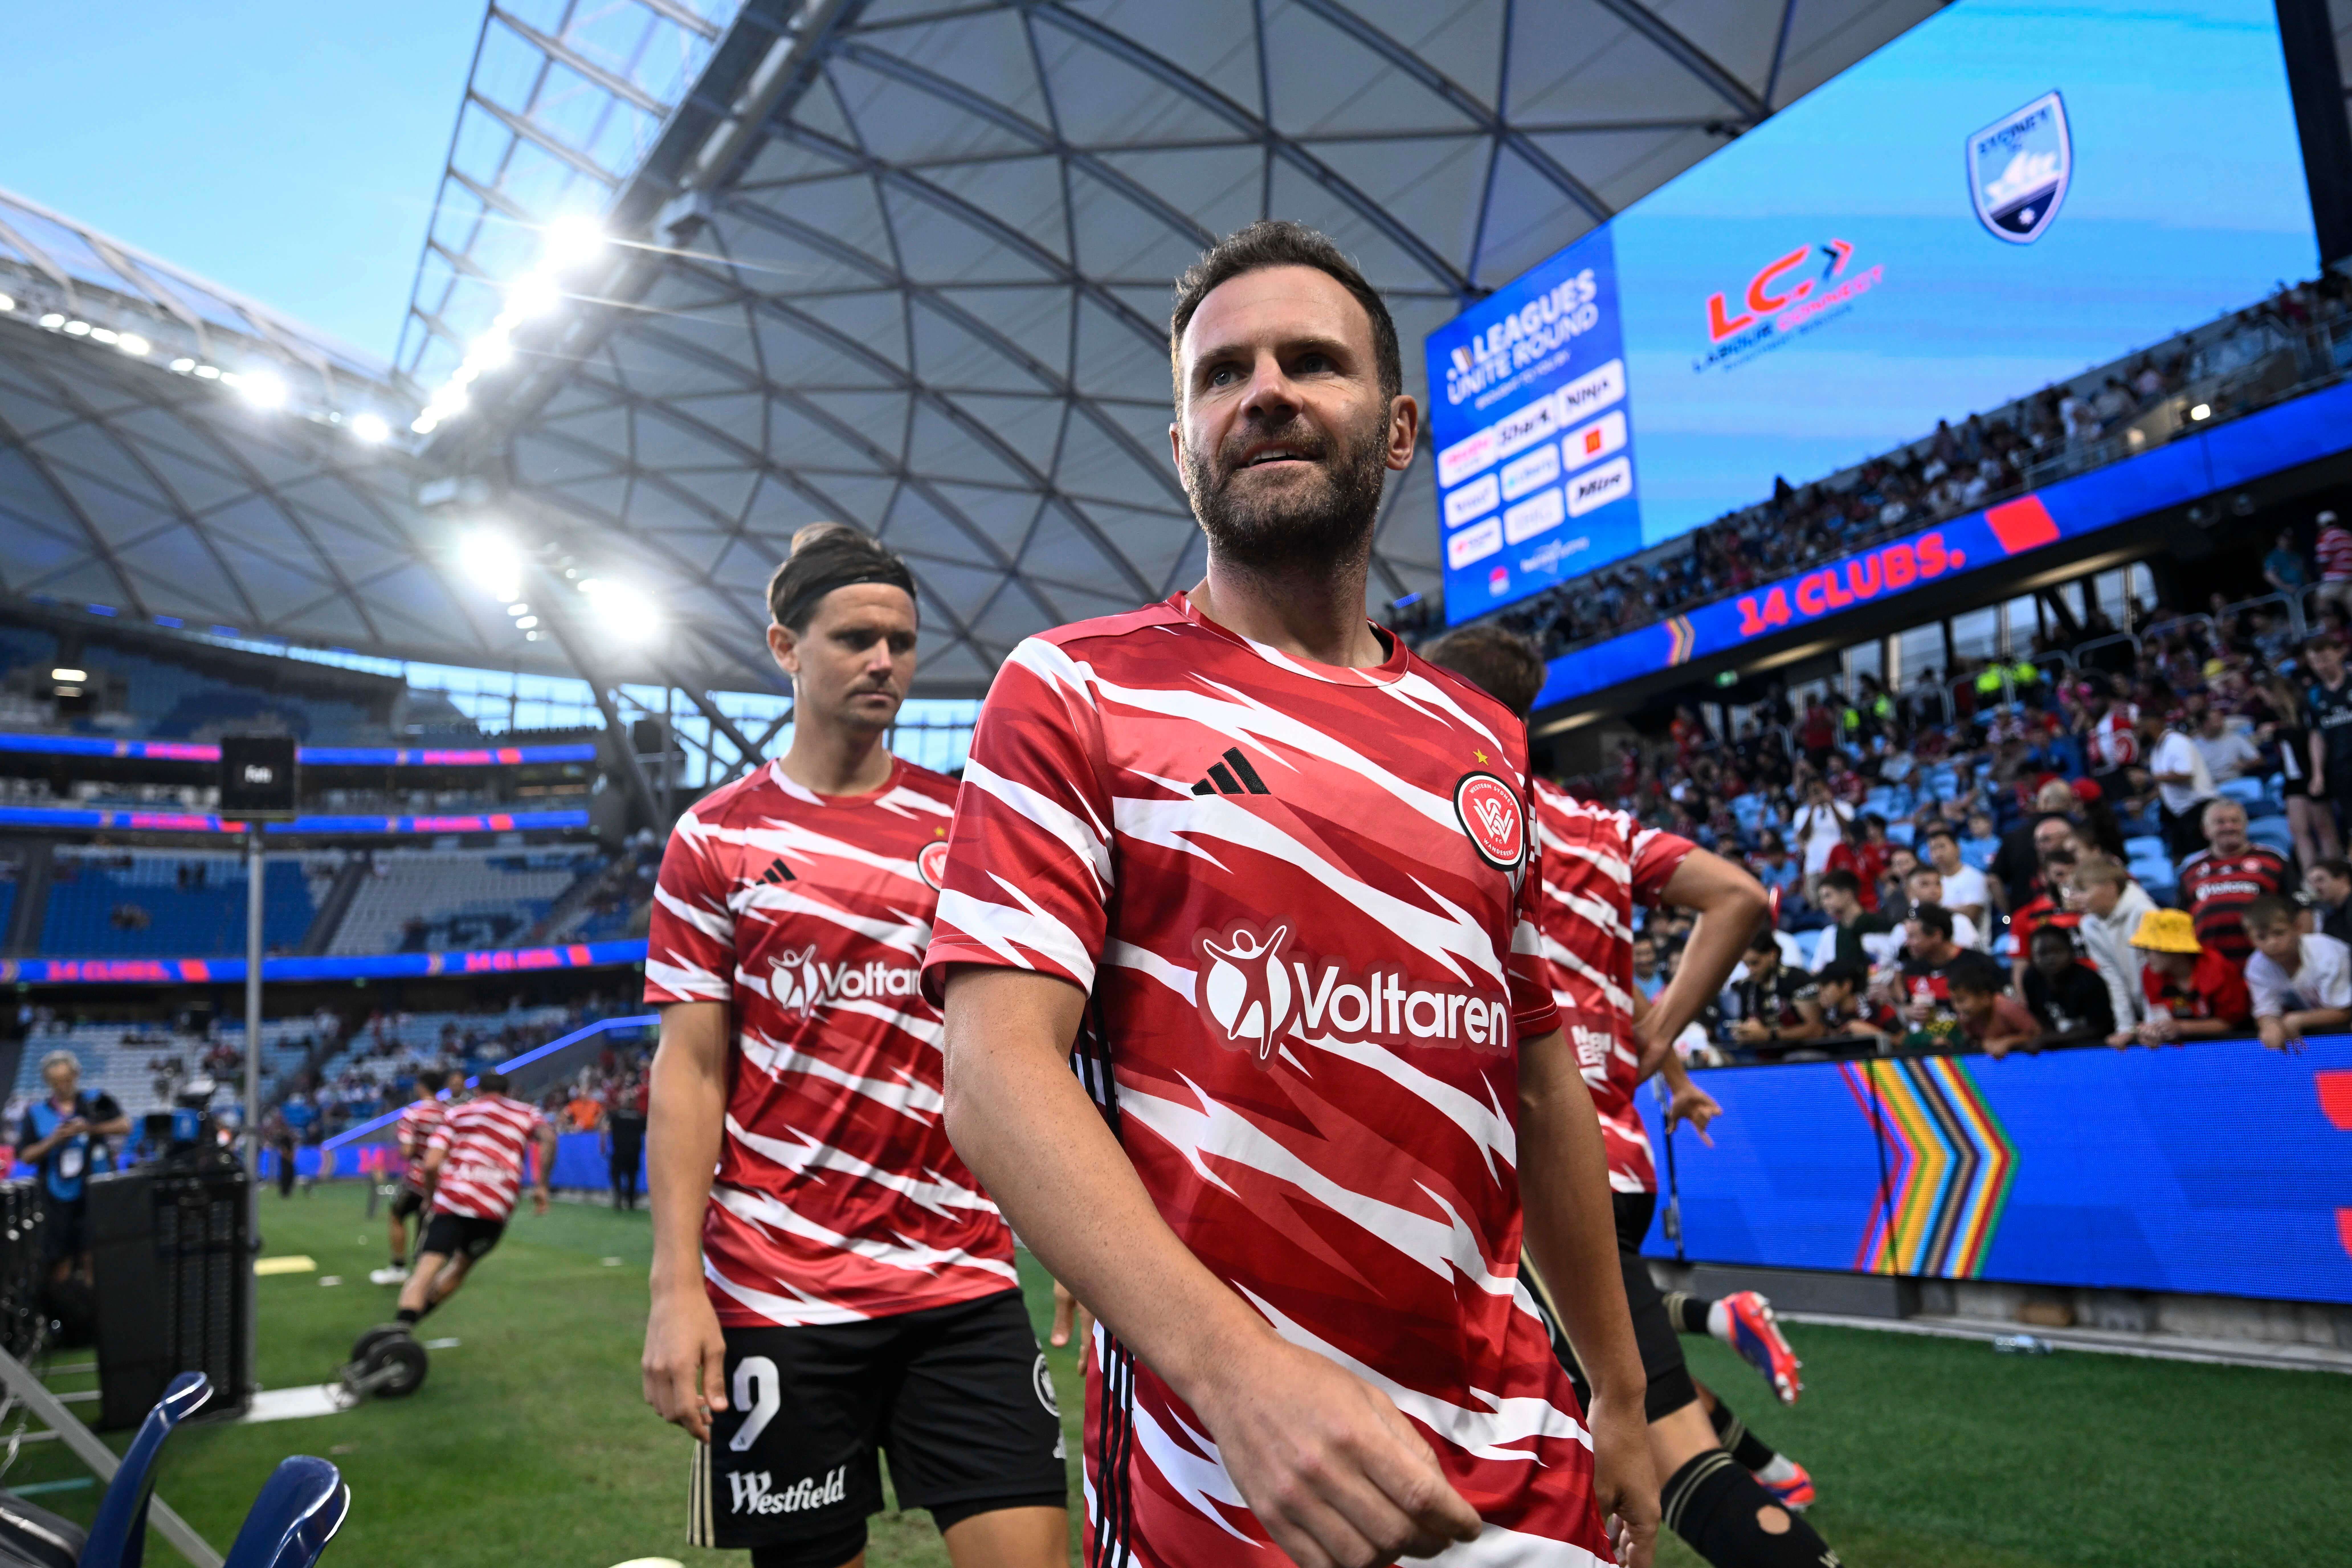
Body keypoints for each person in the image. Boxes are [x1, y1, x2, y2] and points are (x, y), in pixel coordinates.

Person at [925, 221, 1657, 1568]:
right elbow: (990, 1072)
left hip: (1515, 1458)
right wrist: (1234, 1372)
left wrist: (1621, 1390)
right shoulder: (1073, 689)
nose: (1259, 391)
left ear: (1395, 428)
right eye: (1219, 376)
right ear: (1180, 451)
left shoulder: (1474, 738)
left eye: (1308, 362)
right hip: (1229, 1483)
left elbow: (1540, 1075)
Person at [640, 524, 1067, 1568]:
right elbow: (691, 1072)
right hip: (778, 1291)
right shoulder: (716, 840)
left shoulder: (966, 826)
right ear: (786, 647)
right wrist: (672, 1287)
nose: (884, 660)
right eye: (855, 638)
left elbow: (1027, 1045)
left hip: (959, 1279)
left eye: (902, 640)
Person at [1421, 625, 1835, 1561]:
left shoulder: (1442, 812)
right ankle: (1730, 1372)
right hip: (1614, 1159)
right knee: (1608, 1403)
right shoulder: (1598, 831)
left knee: (1651, 1442)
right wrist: (1660, 1045)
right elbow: (1735, 895)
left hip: (1520, 1171)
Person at [392, 1070, 556, 1326]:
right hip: (494, 1208)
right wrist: (542, 1186)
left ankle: (399, 1332)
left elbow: (432, 1164)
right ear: (508, 1092)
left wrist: (431, 1197)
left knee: (425, 1272)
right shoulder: (526, 1113)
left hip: (452, 1202)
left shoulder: (457, 1114)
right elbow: (548, 1137)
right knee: (459, 1269)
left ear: (477, 1091)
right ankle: (409, 1329)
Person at [15, 1052, 127, 1285]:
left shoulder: (96, 1099)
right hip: (57, 1197)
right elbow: (25, 1155)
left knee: (94, 1254)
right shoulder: (36, 1113)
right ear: (48, 1082)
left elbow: (125, 1125)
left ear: (76, 1076)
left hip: (96, 1190)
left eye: (67, 1080)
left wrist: (90, 1129)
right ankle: (62, 1309)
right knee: (59, 1257)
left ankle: (98, 1309)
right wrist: (54, 1140)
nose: (62, 1087)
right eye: (56, 1082)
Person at [2176, 798, 2289, 966]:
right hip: (2212, 968)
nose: (2229, 827)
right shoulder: (2191, 868)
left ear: (2245, 826)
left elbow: (2301, 904)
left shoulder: (2274, 859)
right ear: (2206, 831)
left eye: (2235, 821)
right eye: (2220, 822)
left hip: (2269, 963)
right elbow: (2180, 917)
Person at [371, 1068, 458, 1286]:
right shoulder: (450, 1113)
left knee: (397, 1215)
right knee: (428, 1221)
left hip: (419, 1176)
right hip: (444, 1177)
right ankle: (428, 1272)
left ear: (421, 1087)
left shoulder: (412, 1114)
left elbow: (408, 1151)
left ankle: (398, 1268)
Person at [2121, 909, 2252, 1046]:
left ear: (2176, 950)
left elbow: (2231, 1023)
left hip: (2233, 1045)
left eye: (2150, 949)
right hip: (2184, 1050)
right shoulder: (2150, 974)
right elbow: (2162, 1016)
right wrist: (2155, 1032)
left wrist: (2182, 1028)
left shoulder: (2219, 970)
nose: (2146, 956)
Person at [2241, 895, 2352, 1053]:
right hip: (2325, 1041)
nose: (2272, 943)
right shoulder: (2257, 966)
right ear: (2250, 940)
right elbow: (2266, 1010)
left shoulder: (2327, 953)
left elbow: (2345, 1012)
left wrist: (2296, 1020)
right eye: (2262, 937)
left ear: (2297, 928)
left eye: (2279, 933)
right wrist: (2270, 1025)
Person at [1892, 905, 2006, 1051]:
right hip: (1929, 1049)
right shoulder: (1912, 968)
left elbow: (2001, 1005)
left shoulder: (1979, 965)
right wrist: (1908, 1011)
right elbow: (1907, 1006)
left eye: (1913, 937)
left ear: (1937, 936)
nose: (1908, 943)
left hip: (1977, 1048)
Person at [1727, 931, 1825, 1055]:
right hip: (1765, 1055)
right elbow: (1746, 1022)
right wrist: (1743, 1033)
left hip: (1803, 1051)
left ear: (1772, 955)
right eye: (1746, 965)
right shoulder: (1747, 986)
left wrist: (1769, 1035)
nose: (1751, 970)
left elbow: (1816, 1030)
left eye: (1755, 963)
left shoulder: (1797, 979)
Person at [2020, 925, 2114, 1043]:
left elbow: (2101, 1028)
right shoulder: (2031, 979)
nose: (2050, 959)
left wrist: (2050, 1039)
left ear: (2071, 951)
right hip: (2053, 1052)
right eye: (2042, 954)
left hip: (2092, 1048)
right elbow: (2038, 1020)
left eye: (2057, 951)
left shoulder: (2090, 981)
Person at [2147, 711, 2216, 861]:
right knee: (2181, 861)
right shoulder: (2156, 750)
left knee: (2202, 860)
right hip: (2180, 813)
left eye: (2140, 726)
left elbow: (2185, 774)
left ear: (2153, 723)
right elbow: (2165, 786)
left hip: (2199, 809)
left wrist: (2149, 778)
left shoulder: (2176, 742)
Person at [2303, 635, 2352, 837]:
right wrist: (2318, 774)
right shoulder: (2315, 695)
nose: (2321, 666)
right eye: (2315, 662)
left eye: (2325, 659)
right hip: (2341, 770)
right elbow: (2317, 735)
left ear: (2339, 654)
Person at [1806, 869, 1898, 972]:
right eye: (1822, 898)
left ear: (1847, 895)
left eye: (1828, 896)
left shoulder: (1878, 926)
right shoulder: (1830, 934)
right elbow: (1817, 971)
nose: (1824, 903)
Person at [1947, 966, 2040, 1058]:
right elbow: (1974, 1042)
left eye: (1961, 1000)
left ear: (1985, 998)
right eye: (1953, 1001)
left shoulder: (2005, 1008)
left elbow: (2037, 1034)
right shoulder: (1966, 1017)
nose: (1956, 1007)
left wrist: (2009, 1042)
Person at [1920, 827, 1989, 936]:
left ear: (1957, 848)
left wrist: (1935, 912)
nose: (1938, 853)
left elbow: (1971, 915)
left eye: (1942, 847)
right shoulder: (1930, 882)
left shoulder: (1975, 877)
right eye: (1933, 849)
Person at [1902, 863, 1982, 950]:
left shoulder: (1959, 921)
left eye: (1938, 884)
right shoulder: (1903, 926)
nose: (1934, 889)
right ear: (1909, 891)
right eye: (1925, 884)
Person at [603, 1071, 647, 1212]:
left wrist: (603, 1146)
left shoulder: (615, 1116)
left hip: (619, 1152)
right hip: (634, 1152)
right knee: (632, 1177)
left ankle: (618, 1199)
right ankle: (631, 1202)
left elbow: (605, 1129)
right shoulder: (640, 1117)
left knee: (616, 1175)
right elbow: (647, 1132)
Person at [2191, 705, 2262, 785]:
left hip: (2234, 783)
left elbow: (2258, 760)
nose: (2222, 722)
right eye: (2216, 720)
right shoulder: (2194, 745)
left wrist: (2246, 765)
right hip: (2208, 786)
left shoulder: (2235, 739)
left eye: (2221, 719)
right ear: (2205, 724)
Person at [2307, 858, 2352, 946]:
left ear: (2344, 879)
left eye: (2320, 880)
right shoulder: (2330, 920)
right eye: (2311, 883)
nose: (2316, 888)